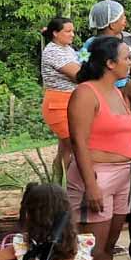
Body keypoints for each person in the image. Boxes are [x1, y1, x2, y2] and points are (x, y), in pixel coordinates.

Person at [67, 35, 131, 260]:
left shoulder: (118, 92)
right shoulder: (86, 93)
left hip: (123, 176)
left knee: (107, 247)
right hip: (96, 175)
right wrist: (91, 184)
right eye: (126, 57)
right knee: (89, 248)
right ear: (110, 63)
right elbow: (79, 142)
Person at [40, 17, 80, 172]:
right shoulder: (52, 51)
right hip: (59, 104)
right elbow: (77, 74)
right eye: (68, 31)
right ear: (55, 33)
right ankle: (68, 182)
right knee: (73, 144)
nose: (72, 35)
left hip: (70, 101)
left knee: (65, 147)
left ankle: (59, 181)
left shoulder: (67, 49)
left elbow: (81, 61)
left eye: (73, 31)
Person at [80, 0, 131, 88]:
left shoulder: (128, 38)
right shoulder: (90, 43)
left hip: (125, 86)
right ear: (112, 25)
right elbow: (82, 62)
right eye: (122, 18)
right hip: (101, 88)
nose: (126, 20)